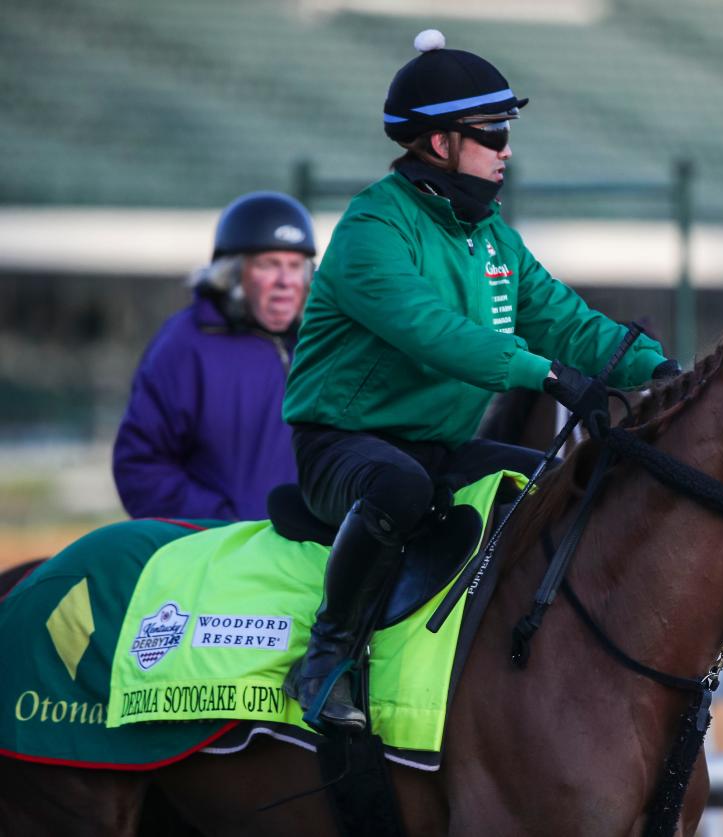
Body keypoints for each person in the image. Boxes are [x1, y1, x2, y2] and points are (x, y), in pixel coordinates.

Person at [281, 29, 679, 732]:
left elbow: (568, 320)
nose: (506, 149)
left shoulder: (493, 237)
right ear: (439, 144)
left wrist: (669, 371)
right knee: (397, 485)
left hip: (439, 445)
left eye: (505, 133)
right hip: (343, 445)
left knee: (557, 484)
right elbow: (434, 333)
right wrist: (545, 374)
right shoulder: (373, 228)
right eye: (492, 133)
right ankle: (326, 655)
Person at [112, 192, 316, 521]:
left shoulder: (322, 344)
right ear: (233, 274)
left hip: (308, 554)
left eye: (295, 266)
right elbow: (141, 465)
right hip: (217, 554)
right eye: (268, 264)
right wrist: (220, 525)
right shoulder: (186, 344)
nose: (285, 282)